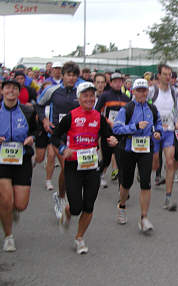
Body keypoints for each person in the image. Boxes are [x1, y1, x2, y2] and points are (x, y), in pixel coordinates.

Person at [50, 81, 117, 254]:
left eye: (92, 95)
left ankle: (79, 238)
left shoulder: (98, 117)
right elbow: (55, 136)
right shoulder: (71, 116)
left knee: (89, 206)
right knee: (76, 207)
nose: (89, 99)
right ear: (79, 98)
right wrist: (64, 149)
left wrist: (112, 140)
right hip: (73, 165)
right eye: (85, 95)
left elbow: (107, 135)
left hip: (91, 166)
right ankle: (67, 211)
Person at [113, 79, 162, 231]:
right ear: (133, 92)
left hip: (146, 149)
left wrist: (158, 131)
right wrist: (135, 127)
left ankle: (144, 217)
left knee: (146, 183)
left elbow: (158, 123)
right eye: (139, 90)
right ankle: (122, 205)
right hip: (128, 150)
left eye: (144, 90)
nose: (142, 93)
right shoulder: (127, 109)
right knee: (126, 183)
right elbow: (117, 128)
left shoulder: (152, 109)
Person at [36, 61, 80, 221]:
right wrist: (45, 121)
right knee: (66, 165)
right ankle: (62, 199)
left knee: (68, 169)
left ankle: (60, 196)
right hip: (57, 136)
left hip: (75, 136)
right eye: (69, 74)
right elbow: (39, 106)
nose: (71, 78)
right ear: (63, 75)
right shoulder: (52, 90)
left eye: (74, 75)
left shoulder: (80, 92)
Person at [0, 79, 37, 252]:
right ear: (2, 91)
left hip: (22, 159)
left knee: (20, 205)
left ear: (18, 92)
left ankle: (11, 210)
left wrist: (31, 138)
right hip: (2, 161)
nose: (11, 91)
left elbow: (36, 131)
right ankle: (8, 236)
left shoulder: (28, 110)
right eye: (7, 88)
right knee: (6, 201)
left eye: (14, 88)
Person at [151, 64, 178, 211]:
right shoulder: (152, 91)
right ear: (159, 76)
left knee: (170, 163)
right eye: (165, 74)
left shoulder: (174, 92)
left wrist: (177, 120)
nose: (168, 77)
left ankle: (168, 198)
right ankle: (148, 170)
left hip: (169, 131)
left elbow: (175, 109)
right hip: (155, 131)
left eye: (170, 74)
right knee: (155, 164)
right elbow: (144, 105)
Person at [95, 72, 130, 184]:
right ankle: (100, 174)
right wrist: (108, 121)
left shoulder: (126, 98)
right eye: (115, 81)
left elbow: (129, 114)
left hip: (120, 133)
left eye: (120, 81)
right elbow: (96, 112)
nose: (118, 83)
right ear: (111, 82)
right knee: (106, 159)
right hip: (107, 132)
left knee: (121, 159)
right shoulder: (105, 96)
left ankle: (123, 185)